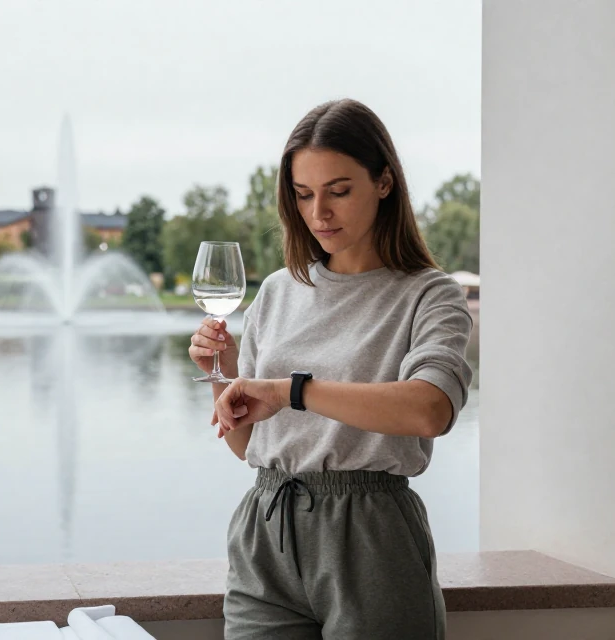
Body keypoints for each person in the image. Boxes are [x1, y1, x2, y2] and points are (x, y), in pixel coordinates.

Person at [188, 99, 474, 639]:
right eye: (303, 195)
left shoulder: (430, 295)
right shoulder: (276, 291)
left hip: (372, 539)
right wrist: (224, 374)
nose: (319, 212)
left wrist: (293, 391)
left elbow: (430, 410)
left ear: (384, 182)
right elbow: (247, 446)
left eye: (339, 191)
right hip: (265, 531)